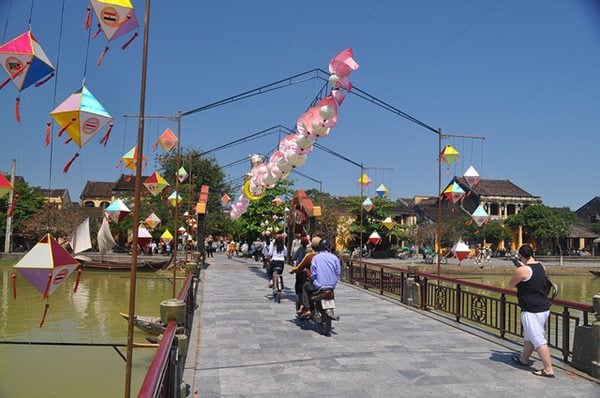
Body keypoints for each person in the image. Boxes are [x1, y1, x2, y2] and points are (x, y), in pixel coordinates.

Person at [509, 244, 555, 378]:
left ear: (520, 256)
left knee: (539, 340)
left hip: (531, 309)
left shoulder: (523, 270)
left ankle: (548, 369)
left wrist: (520, 270)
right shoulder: (541, 265)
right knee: (530, 336)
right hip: (543, 307)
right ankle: (524, 359)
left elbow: (511, 284)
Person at [299, 238, 340, 318]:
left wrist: (313, 279)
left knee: (305, 286)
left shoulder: (316, 258)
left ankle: (307, 309)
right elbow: (338, 272)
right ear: (329, 247)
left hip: (319, 285)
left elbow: (313, 273)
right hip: (332, 285)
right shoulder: (334, 258)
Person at [290, 237, 314, 313]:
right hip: (310, 273)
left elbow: (294, 258)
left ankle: (302, 305)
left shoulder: (300, 250)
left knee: (299, 288)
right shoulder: (312, 252)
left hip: (300, 271)